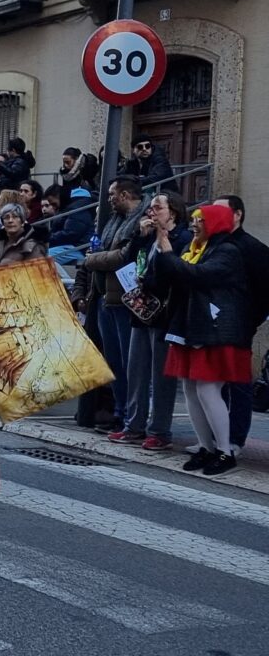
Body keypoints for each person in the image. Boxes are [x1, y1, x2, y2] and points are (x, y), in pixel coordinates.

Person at [154, 204, 251, 476]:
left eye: (200, 220)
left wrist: (167, 248)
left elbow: (196, 276)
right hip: (191, 327)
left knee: (208, 389)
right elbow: (172, 274)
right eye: (194, 219)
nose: (194, 224)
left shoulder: (227, 251)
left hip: (216, 330)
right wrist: (160, 248)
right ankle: (206, 448)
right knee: (190, 389)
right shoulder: (194, 249)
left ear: (215, 223)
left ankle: (225, 451)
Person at [108, 192, 191, 449]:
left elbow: (177, 271)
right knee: (136, 370)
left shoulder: (182, 238)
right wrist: (138, 236)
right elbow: (130, 260)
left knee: (161, 376)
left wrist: (151, 279)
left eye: (157, 208)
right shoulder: (147, 237)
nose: (151, 213)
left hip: (165, 314)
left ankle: (160, 431)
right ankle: (133, 425)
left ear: (172, 212)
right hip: (141, 311)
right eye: (150, 209)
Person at [82, 176, 147, 431]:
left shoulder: (140, 222)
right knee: (114, 361)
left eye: (112, 194)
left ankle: (133, 415)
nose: (109, 199)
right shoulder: (114, 220)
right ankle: (120, 411)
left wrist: (92, 259)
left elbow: (123, 256)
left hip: (126, 299)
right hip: (104, 297)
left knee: (130, 361)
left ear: (125, 195)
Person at [212, 194, 269, 455]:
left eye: (221, 212)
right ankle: (215, 437)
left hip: (239, 325)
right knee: (212, 383)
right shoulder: (212, 244)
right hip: (212, 323)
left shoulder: (254, 249)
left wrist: (249, 321)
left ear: (237, 215)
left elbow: (263, 291)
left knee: (238, 383)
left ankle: (235, 438)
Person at [46, 185, 94, 265]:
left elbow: (70, 233)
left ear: (59, 196)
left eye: (54, 204)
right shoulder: (72, 207)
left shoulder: (77, 209)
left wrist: (48, 239)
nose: (53, 207)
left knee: (41, 258)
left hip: (77, 248)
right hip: (73, 247)